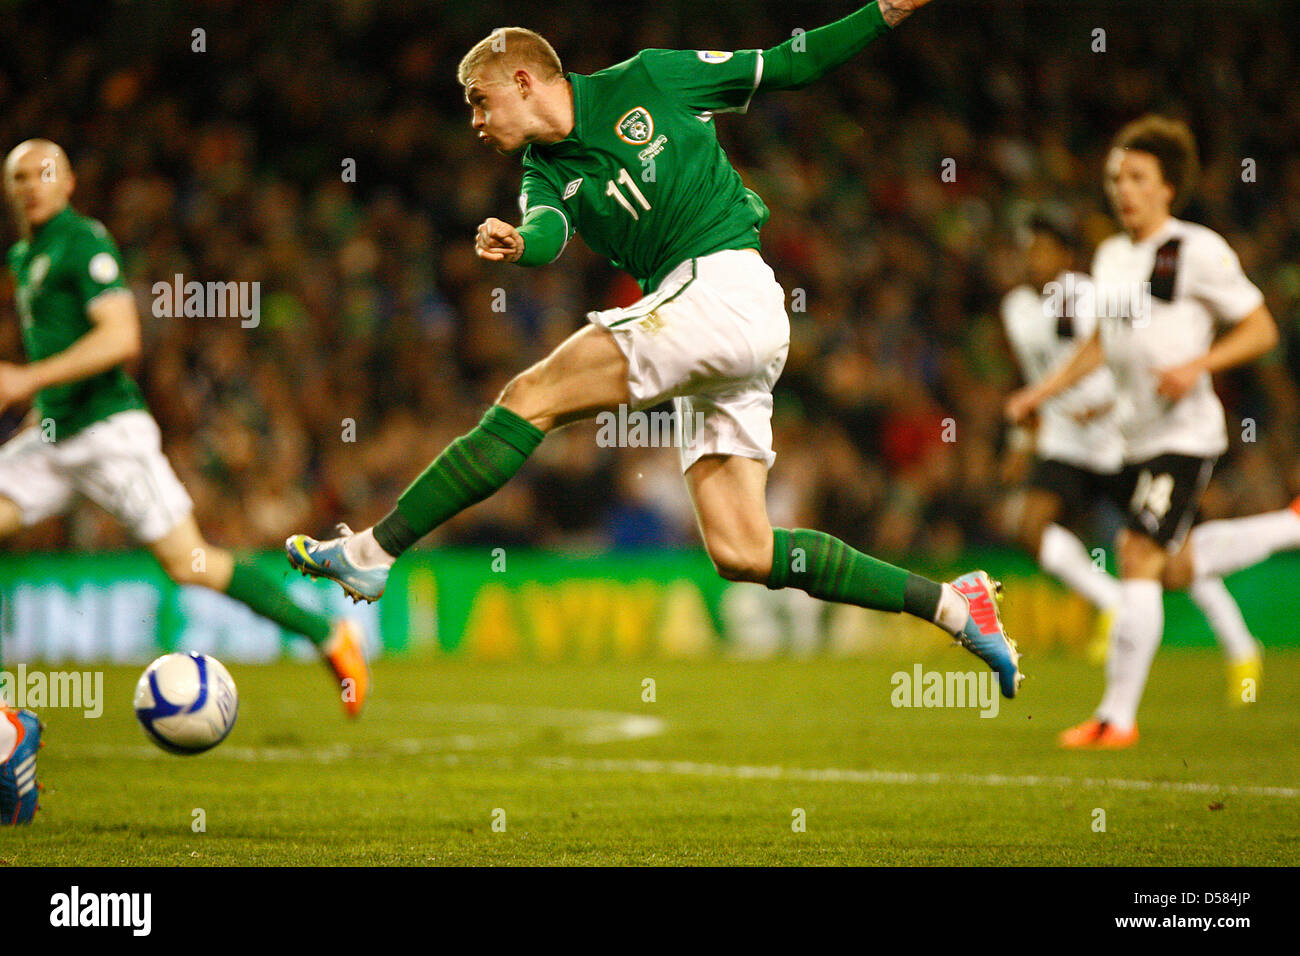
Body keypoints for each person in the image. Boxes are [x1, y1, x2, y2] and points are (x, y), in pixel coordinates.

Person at [287, 1, 1024, 699]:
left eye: (481, 101)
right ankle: (954, 605)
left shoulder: (651, 78)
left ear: (523, 79)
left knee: (530, 398)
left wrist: (883, 11)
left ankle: (373, 552)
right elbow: (546, 229)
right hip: (717, 322)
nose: (475, 120)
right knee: (743, 551)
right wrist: (519, 245)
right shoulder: (543, 170)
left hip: (722, 286)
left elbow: (785, 65)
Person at [0, 140, 371, 823]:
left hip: (110, 434)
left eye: (43, 173)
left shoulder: (83, 243)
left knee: (191, 563)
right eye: (18, 176)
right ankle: (6, 732)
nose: (30, 186)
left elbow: (119, 341)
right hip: (50, 436)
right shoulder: (24, 256)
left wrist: (26, 379)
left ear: (70, 179)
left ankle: (326, 634)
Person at [1007, 116, 1281, 747]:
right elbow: (1102, 343)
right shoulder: (1110, 256)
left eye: (1136, 177)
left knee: (1135, 554)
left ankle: (1116, 719)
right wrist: (1040, 394)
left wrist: (1199, 366)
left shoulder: (1197, 249)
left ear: (1166, 188)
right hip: (1134, 438)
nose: (1121, 189)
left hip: (1184, 436)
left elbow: (1261, 328)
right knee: (1175, 566)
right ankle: (1291, 525)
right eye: (1114, 178)